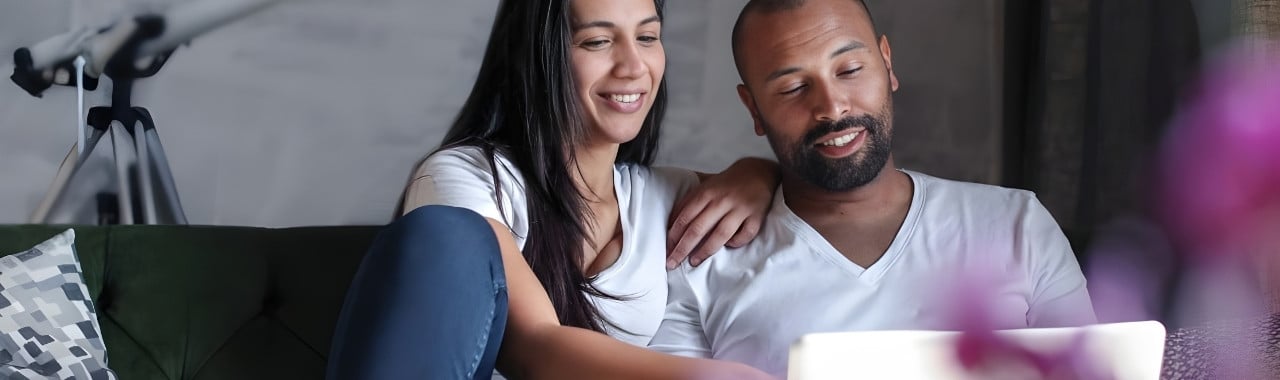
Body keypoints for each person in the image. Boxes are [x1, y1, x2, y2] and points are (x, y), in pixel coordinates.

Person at [326, 0, 777, 379]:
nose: (634, 67)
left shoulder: (666, 194)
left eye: (647, 37)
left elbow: (799, 189)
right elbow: (533, 344)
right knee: (446, 230)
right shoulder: (465, 178)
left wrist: (759, 172)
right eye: (598, 41)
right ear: (541, 56)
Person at [648, 0, 1097, 376]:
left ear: (887, 63)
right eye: (793, 88)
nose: (832, 107)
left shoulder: (1016, 224)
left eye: (849, 69)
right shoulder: (701, 260)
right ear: (754, 110)